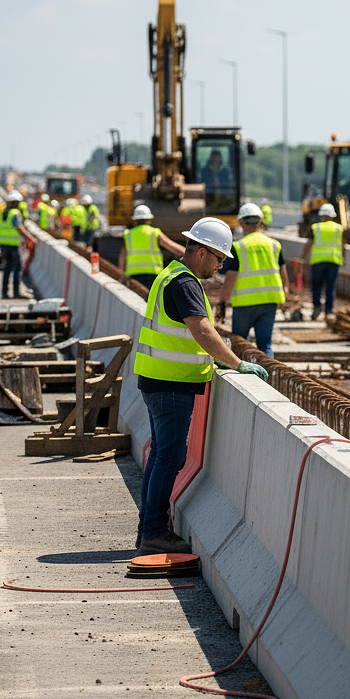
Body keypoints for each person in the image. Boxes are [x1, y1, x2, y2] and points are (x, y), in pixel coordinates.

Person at [133, 217, 270, 555]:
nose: (220, 266)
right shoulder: (185, 282)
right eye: (219, 258)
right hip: (171, 385)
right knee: (169, 457)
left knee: (160, 456)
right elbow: (202, 330)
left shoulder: (170, 273)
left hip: (158, 380)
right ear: (203, 252)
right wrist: (236, 363)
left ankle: (148, 528)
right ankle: (153, 532)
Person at [219, 204, 291, 357]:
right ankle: (268, 372)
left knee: (239, 345)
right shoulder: (274, 245)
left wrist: (222, 302)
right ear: (261, 222)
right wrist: (285, 294)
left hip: (244, 303)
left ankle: (240, 371)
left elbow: (230, 278)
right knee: (265, 345)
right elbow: (283, 273)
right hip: (269, 302)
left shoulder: (238, 247)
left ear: (241, 222)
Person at [118, 203, 185, 290]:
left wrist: (121, 275)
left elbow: (122, 257)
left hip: (133, 275)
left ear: (135, 220)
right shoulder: (154, 232)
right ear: (149, 219)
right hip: (153, 274)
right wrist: (187, 253)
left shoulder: (128, 234)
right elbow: (170, 245)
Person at [301, 203, 344, 321]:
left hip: (318, 261)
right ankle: (329, 311)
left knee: (317, 287)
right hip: (333, 261)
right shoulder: (338, 228)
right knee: (330, 287)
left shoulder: (316, 227)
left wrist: (303, 257)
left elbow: (309, 243)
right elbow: (343, 244)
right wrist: (343, 258)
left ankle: (316, 309)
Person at [0, 190, 28, 299]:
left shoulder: (3, 212)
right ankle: (16, 292)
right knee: (17, 268)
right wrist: (30, 238)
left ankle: (4, 292)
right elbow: (19, 227)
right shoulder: (15, 213)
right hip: (13, 245)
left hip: (3, 243)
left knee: (7, 268)